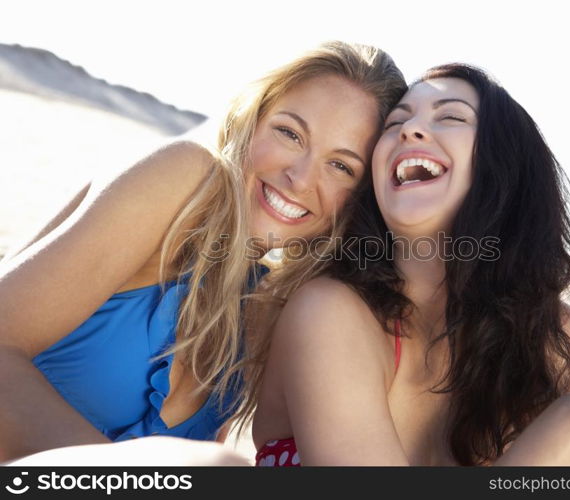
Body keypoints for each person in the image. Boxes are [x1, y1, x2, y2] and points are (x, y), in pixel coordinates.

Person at [241, 63, 570, 466]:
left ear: (502, 165)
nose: (409, 129)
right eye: (397, 121)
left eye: (451, 117)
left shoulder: (553, 342)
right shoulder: (329, 311)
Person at [0, 41, 407, 462]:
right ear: (251, 121)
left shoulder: (266, 311)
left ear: (360, 200)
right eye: (290, 133)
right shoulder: (184, 179)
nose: (300, 179)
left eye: (341, 166)